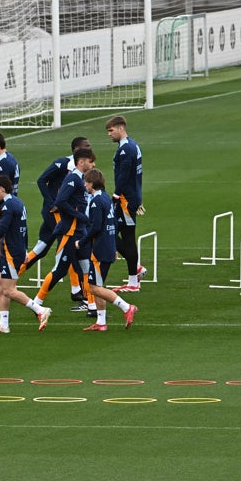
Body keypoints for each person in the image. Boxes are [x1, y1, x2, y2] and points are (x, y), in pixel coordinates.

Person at [0, 174, 52, 333]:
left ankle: (40, 310)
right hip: (15, 250)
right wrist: (25, 250)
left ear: (2, 189)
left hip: (11, 252)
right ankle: (3, 324)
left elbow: (2, 229)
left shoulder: (7, 206)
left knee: (8, 290)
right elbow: (24, 229)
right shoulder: (18, 202)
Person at [18, 136, 90, 278]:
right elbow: (41, 180)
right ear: (76, 149)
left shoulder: (84, 167)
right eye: (86, 146)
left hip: (64, 213)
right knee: (68, 247)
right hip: (56, 213)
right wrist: (53, 203)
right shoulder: (63, 163)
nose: (89, 148)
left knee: (42, 247)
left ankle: (12, 275)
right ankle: (76, 287)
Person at [31, 147, 94, 307]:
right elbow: (60, 201)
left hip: (80, 231)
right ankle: (37, 303)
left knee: (86, 267)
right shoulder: (72, 178)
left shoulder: (81, 179)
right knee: (59, 270)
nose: (93, 164)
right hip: (69, 232)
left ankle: (92, 306)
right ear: (81, 162)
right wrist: (78, 215)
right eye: (91, 161)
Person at [76, 167, 137, 331]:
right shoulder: (106, 198)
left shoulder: (96, 201)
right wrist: (113, 246)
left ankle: (126, 307)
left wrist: (81, 242)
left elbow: (95, 227)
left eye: (86, 182)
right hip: (108, 246)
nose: (84, 185)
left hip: (100, 249)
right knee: (98, 285)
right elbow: (113, 224)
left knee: (94, 287)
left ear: (91, 183)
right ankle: (101, 322)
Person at [105, 115, 146, 293]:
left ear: (121, 128)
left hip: (126, 200)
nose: (109, 134)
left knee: (125, 238)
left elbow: (124, 174)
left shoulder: (126, 149)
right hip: (130, 197)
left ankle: (134, 281)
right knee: (113, 233)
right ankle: (136, 269)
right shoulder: (132, 145)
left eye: (111, 130)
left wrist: (115, 195)